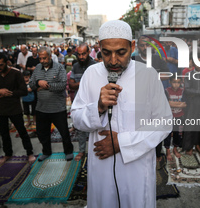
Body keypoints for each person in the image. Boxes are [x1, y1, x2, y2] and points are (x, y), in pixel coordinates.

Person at [71, 20, 173, 208]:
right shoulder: (91, 74)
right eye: (106, 53)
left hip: (136, 167)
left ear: (132, 46)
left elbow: (164, 122)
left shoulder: (148, 75)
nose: (113, 61)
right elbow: (76, 119)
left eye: (121, 52)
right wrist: (99, 106)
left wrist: (122, 143)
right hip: (101, 166)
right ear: (99, 48)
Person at [0, 52, 36, 165]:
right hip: (0, 109)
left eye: (0, 65)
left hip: (14, 108)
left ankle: (29, 152)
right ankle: (7, 153)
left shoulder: (16, 73)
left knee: (22, 131)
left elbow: (23, 91)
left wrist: (9, 93)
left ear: (7, 63)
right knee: (4, 133)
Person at [29, 46, 74, 162]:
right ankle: (46, 152)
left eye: (45, 58)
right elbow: (31, 84)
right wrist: (38, 82)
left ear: (50, 56)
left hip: (57, 108)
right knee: (42, 133)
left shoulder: (59, 68)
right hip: (41, 108)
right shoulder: (37, 68)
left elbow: (63, 85)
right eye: (40, 58)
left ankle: (68, 151)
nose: (42, 61)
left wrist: (46, 85)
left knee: (64, 132)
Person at [69, 44, 96, 161]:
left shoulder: (96, 65)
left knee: (94, 127)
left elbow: (96, 85)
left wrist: (80, 84)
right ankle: (81, 151)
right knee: (80, 127)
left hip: (93, 101)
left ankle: (93, 150)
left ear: (88, 52)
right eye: (79, 54)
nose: (81, 57)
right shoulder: (75, 66)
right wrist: (84, 83)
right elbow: (71, 85)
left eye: (83, 54)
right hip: (80, 102)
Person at [165, 76, 186, 160]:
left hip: (179, 116)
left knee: (177, 133)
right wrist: (179, 104)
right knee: (168, 134)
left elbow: (185, 104)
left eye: (178, 82)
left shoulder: (183, 91)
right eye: (174, 82)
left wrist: (172, 103)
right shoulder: (167, 91)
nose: (176, 84)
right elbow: (167, 103)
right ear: (170, 82)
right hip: (169, 116)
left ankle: (175, 149)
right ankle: (167, 151)